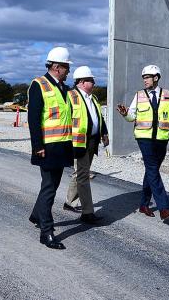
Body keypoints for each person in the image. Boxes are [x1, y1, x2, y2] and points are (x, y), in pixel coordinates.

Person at [116, 64, 169, 222]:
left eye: (147, 77)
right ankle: (164, 208)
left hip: (162, 138)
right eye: (143, 78)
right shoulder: (139, 95)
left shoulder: (167, 95)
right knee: (152, 169)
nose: (145, 80)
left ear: (156, 77)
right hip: (144, 138)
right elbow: (132, 117)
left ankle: (143, 204)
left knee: (152, 171)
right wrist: (125, 114)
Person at [27, 47, 74, 250]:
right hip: (46, 147)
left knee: (51, 186)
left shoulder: (64, 89)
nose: (68, 71)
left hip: (62, 146)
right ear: (56, 67)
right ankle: (46, 232)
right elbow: (33, 119)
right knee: (49, 189)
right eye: (66, 67)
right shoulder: (39, 85)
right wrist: (37, 146)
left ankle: (36, 215)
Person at [63, 66, 108, 224]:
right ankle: (88, 212)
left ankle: (69, 202)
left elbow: (99, 117)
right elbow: (65, 120)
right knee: (83, 176)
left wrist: (104, 133)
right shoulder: (70, 96)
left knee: (81, 172)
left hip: (92, 141)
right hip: (78, 143)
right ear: (81, 82)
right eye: (90, 80)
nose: (94, 82)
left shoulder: (93, 98)